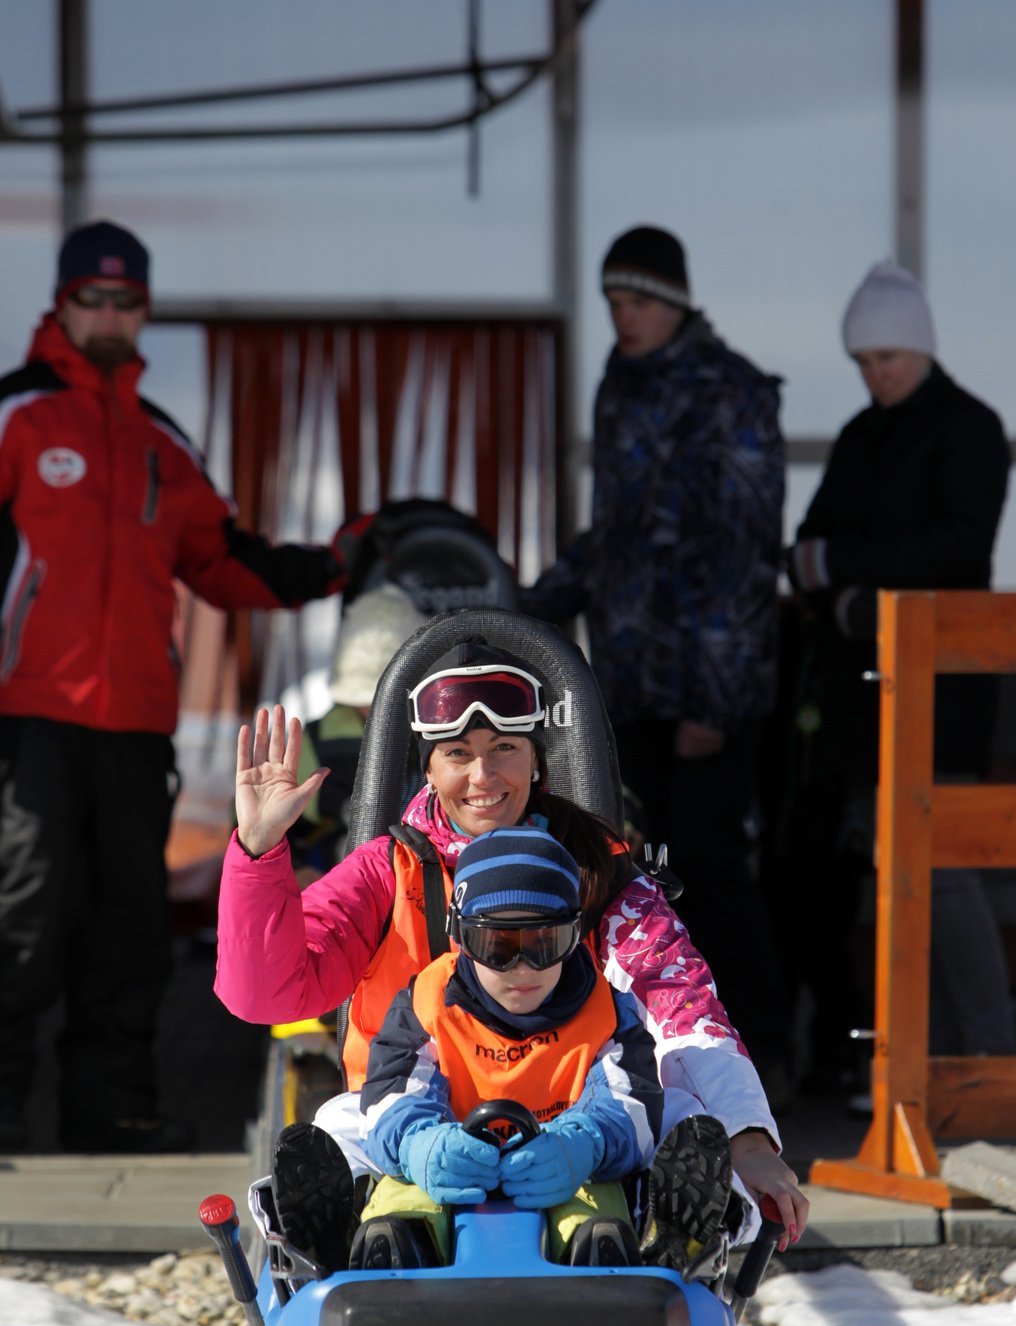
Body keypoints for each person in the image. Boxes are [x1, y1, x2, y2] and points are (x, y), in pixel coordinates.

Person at [215, 636, 808, 1244]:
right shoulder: (385, 873)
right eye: (457, 753)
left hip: (574, 1122)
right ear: (428, 766)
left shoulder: (596, 875)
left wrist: (748, 1140)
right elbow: (268, 997)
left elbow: (682, 1009)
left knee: (675, 1115)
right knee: (338, 1125)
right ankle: (325, 1232)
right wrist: (259, 853)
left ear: (535, 758)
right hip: (407, 1116)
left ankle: (680, 1227)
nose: (482, 776)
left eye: (504, 748)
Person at [0, 219, 362, 1155]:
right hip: (27, 720)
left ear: (143, 309)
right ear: (63, 303)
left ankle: (109, 1115)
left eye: (127, 300)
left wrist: (332, 567)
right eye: (94, 297)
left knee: (128, 927)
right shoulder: (18, 415)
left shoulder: (164, 441)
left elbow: (224, 560)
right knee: (22, 919)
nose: (111, 313)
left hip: (134, 729)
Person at [518, 224, 792, 1102]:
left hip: (708, 694)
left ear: (673, 303)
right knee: (632, 872)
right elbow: (614, 537)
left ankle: (762, 1059)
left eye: (635, 301)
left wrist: (711, 701)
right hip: (626, 680)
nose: (620, 317)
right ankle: (658, 1061)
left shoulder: (733, 392)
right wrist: (521, 612)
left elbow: (747, 550)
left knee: (712, 869)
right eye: (610, 301)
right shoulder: (620, 386)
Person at [776, 260, 1016, 1092]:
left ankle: (984, 1061)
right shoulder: (863, 435)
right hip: (866, 698)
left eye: (889, 358)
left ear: (920, 350)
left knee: (939, 877)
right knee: (901, 885)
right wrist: (840, 585)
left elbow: (955, 549)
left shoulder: (967, 431)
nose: (876, 374)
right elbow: (813, 544)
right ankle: (935, 1072)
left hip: (937, 693)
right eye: (864, 362)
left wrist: (842, 578)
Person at [272, 827, 714, 1273]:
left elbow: (632, 1100)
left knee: (602, 1195)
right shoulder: (428, 1003)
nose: (522, 968)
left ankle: (614, 1254)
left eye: (545, 943)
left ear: (576, 935)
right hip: (450, 1161)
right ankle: (382, 1247)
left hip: (562, 1167)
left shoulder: (605, 1012)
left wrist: (586, 1143)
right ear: (461, 938)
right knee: (398, 1180)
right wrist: (420, 1145)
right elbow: (391, 1090)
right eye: (497, 946)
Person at [288, 582, 423, 881]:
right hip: (341, 885)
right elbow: (267, 832)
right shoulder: (317, 746)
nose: (375, 710)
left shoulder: (443, 735)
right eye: (364, 700)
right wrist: (296, 870)